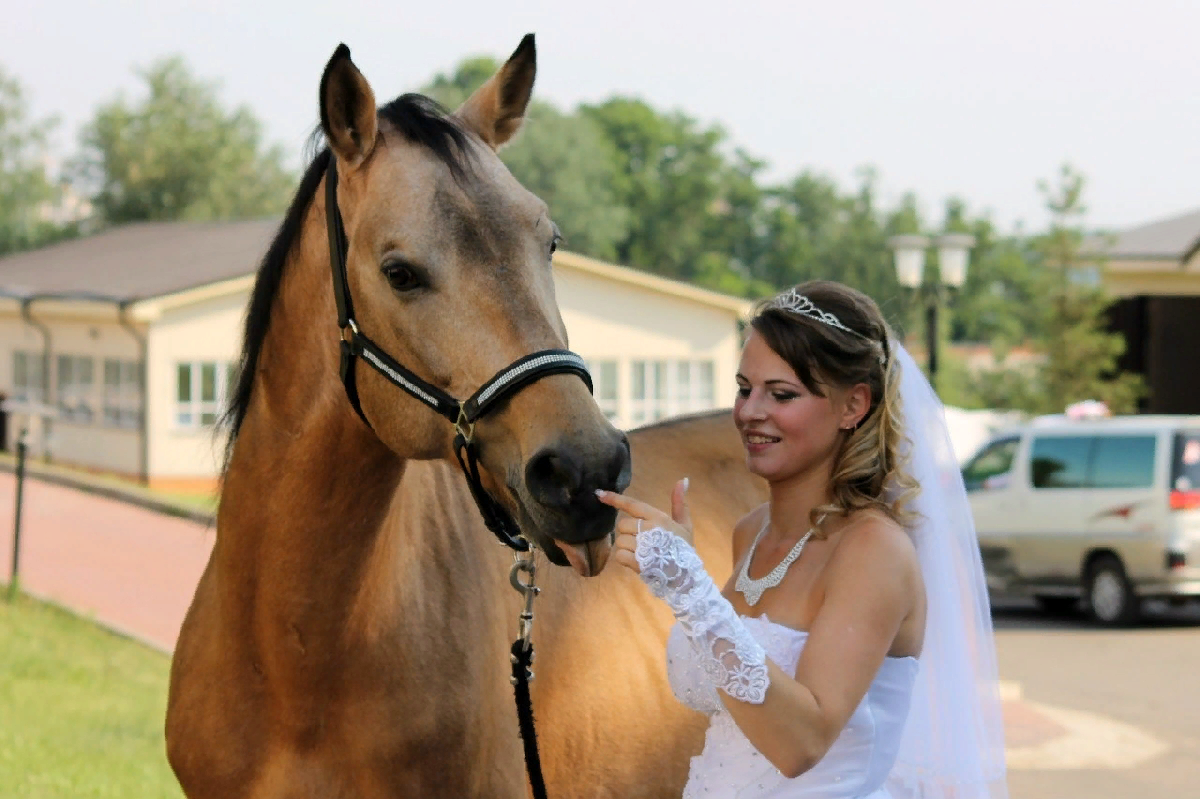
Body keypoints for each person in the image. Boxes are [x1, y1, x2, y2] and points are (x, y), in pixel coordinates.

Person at [596, 280, 1008, 798]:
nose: (750, 412)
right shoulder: (751, 533)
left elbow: (800, 743)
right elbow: (735, 692)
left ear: (852, 406)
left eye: (782, 394)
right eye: (744, 389)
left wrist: (689, 589)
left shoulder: (873, 550)